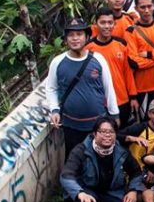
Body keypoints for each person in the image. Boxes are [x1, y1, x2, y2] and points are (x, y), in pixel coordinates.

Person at [60, 118, 144, 202]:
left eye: (111, 132)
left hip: (111, 192)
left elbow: (136, 172)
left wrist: (134, 190)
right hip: (87, 191)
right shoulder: (81, 150)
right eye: (103, 131)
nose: (107, 135)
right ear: (94, 134)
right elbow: (66, 175)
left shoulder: (120, 151)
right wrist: (80, 193)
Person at [47, 18, 119, 157]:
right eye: (71, 35)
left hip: (97, 125)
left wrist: (114, 113)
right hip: (71, 126)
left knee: (101, 158)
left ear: (87, 37)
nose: (75, 39)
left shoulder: (98, 59)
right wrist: (54, 110)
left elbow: (108, 87)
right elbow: (51, 88)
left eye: (79, 34)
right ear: (66, 39)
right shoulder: (58, 62)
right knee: (74, 159)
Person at [87, 7, 138, 127]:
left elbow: (127, 73)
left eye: (110, 22)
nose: (106, 26)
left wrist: (133, 97)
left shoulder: (121, 44)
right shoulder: (88, 48)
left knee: (122, 134)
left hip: (121, 99)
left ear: (114, 24)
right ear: (96, 24)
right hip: (99, 102)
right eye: (103, 22)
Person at [118, 98, 154, 169]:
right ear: (149, 114)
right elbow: (115, 136)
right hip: (136, 170)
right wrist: (131, 138)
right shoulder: (139, 128)